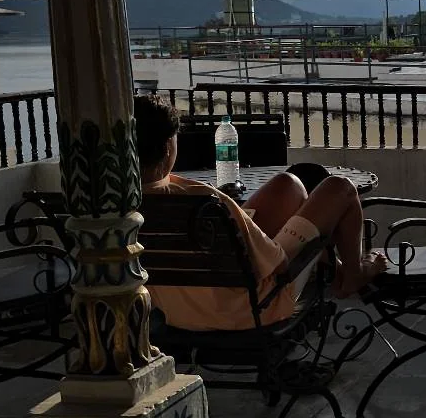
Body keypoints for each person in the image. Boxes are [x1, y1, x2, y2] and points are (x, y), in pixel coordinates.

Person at [133, 95, 385, 331]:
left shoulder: (125, 204)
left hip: (176, 313)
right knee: (340, 188)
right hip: (254, 307)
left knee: (287, 184)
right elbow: (280, 264)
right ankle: (353, 274)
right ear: (169, 146)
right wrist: (307, 237)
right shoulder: (204, 200)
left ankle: (339, 270)